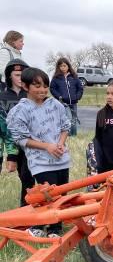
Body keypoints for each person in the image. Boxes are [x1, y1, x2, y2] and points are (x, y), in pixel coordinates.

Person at [7, 68, 70, 237]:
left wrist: (60, 144)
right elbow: (20, 138)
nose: (42, 90)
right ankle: (37, 225)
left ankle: (55, 228)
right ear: (26, 86)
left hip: (61, 159)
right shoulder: (21, 110)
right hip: (40, 162)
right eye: (37, 86)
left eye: (45, 86)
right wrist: (47, 146)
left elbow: (65, 127)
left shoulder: (55, 105)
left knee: (62, 194)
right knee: (47, 195)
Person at [0, 59, 28, 176]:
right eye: (17, 75)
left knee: (26, 177)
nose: (20, 78)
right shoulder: (2, 96)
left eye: (23, 75)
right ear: (9, 76)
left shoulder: (31, 95)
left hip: (27, 143)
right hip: (10, 140)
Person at [50, 57, 83, 137]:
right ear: (58, 67)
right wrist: (59, 97)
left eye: (64, 66)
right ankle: (68, 135)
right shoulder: (56, 78)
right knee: (68, 119)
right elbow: (52, 88)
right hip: (63, 103)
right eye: (61, 66)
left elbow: (80, 88)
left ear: (68, 66)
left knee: (74, 119)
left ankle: (74, 136)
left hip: (74, 102)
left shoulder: (74, 77)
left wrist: (77, 96)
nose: (63, 68)